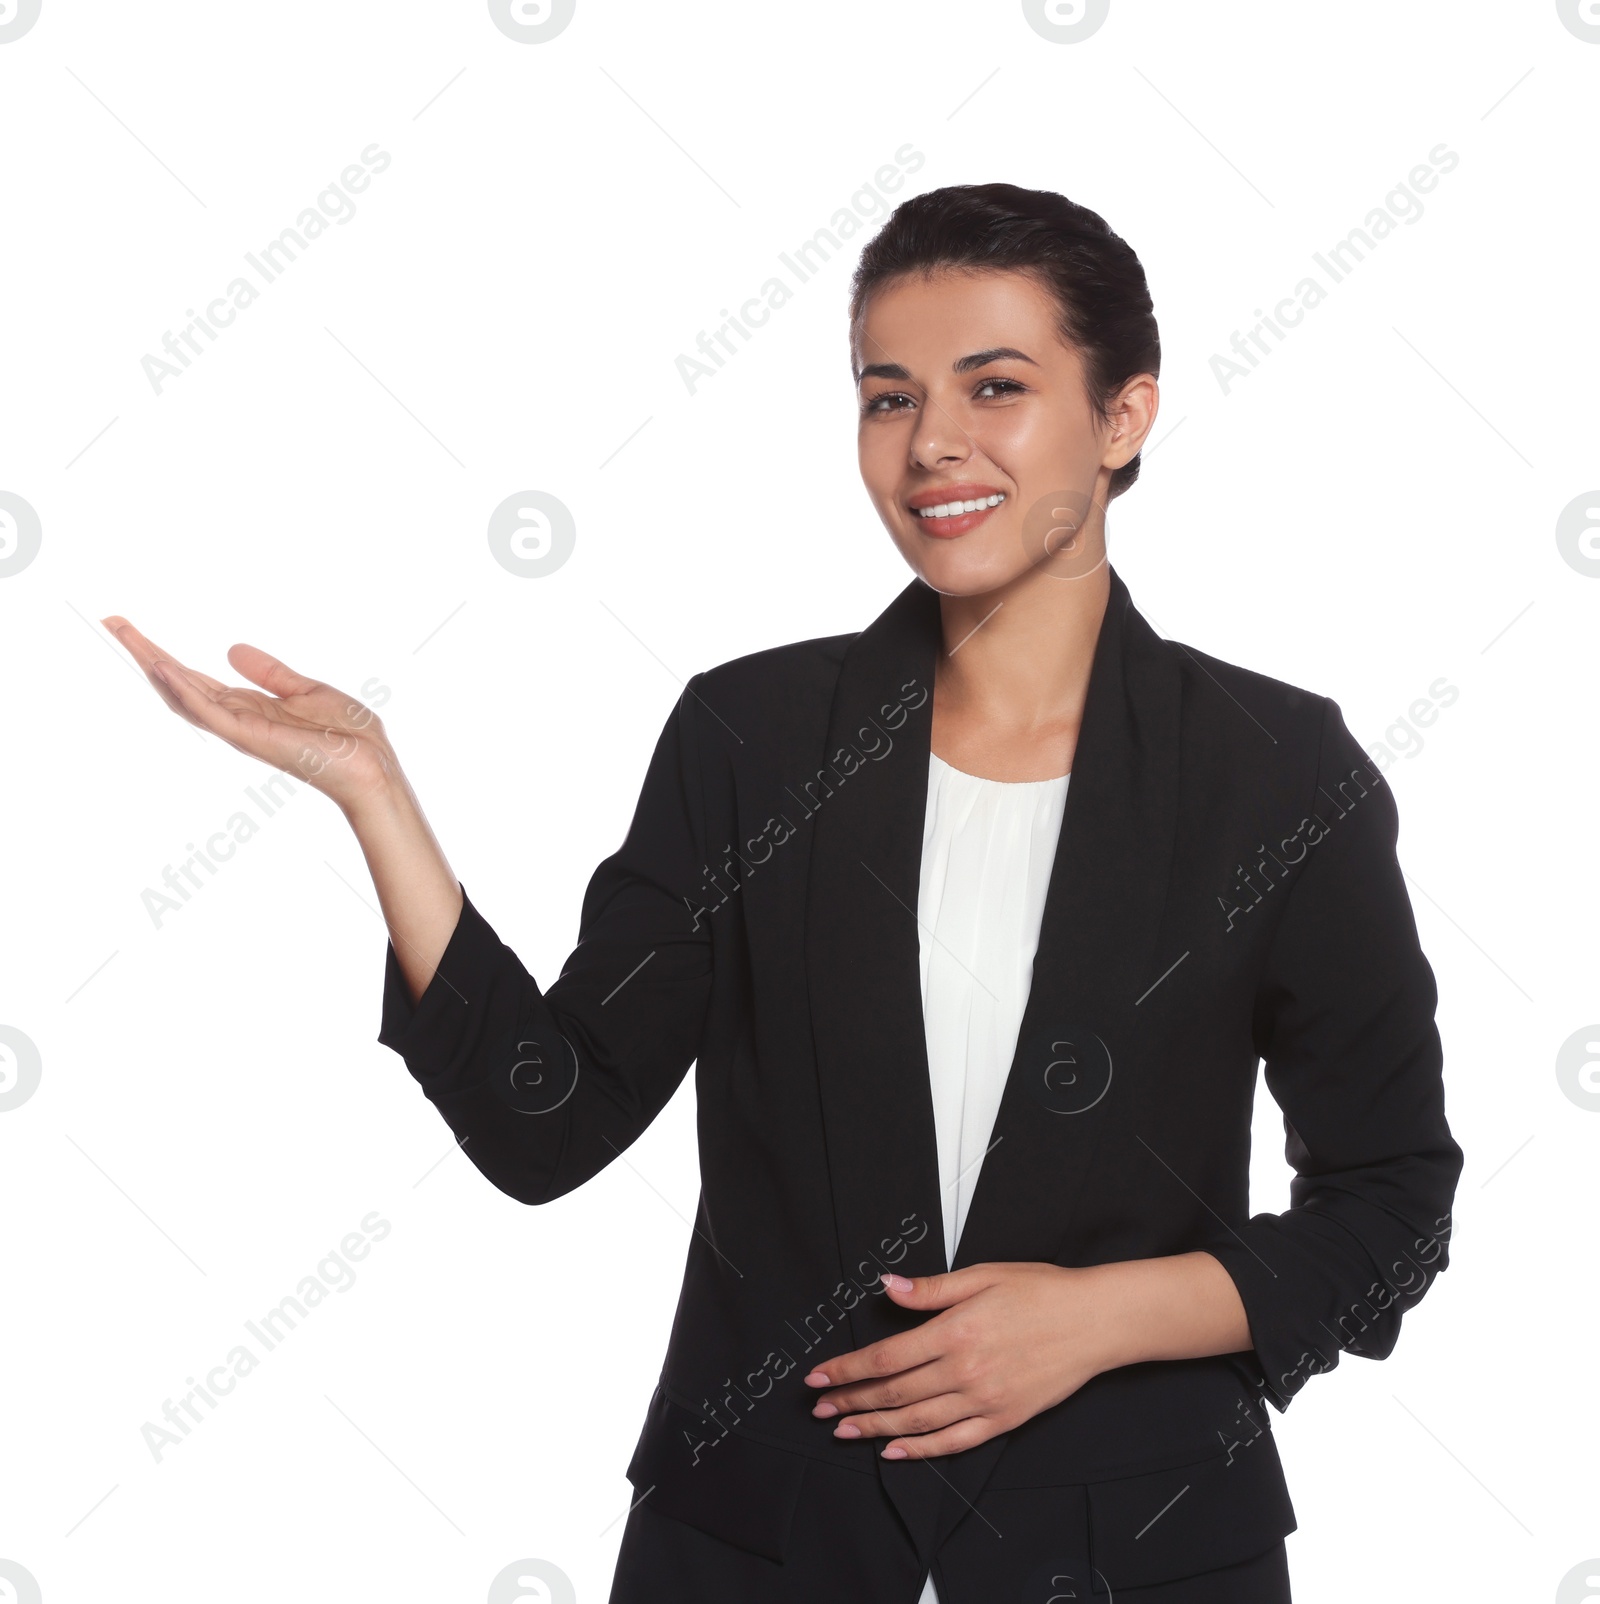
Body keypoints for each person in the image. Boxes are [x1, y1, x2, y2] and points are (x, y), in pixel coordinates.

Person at [103, 183, 1463, 1603]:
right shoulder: (751, 739)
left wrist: (1101, 1320)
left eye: (995, 388)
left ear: (1124, 418)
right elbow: (545, 1123)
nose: (932, 442)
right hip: (763, 1545)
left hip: (1140, 1547)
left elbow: (1391, 1212)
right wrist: (377, 793)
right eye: (888, 398)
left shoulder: (1276, 771)